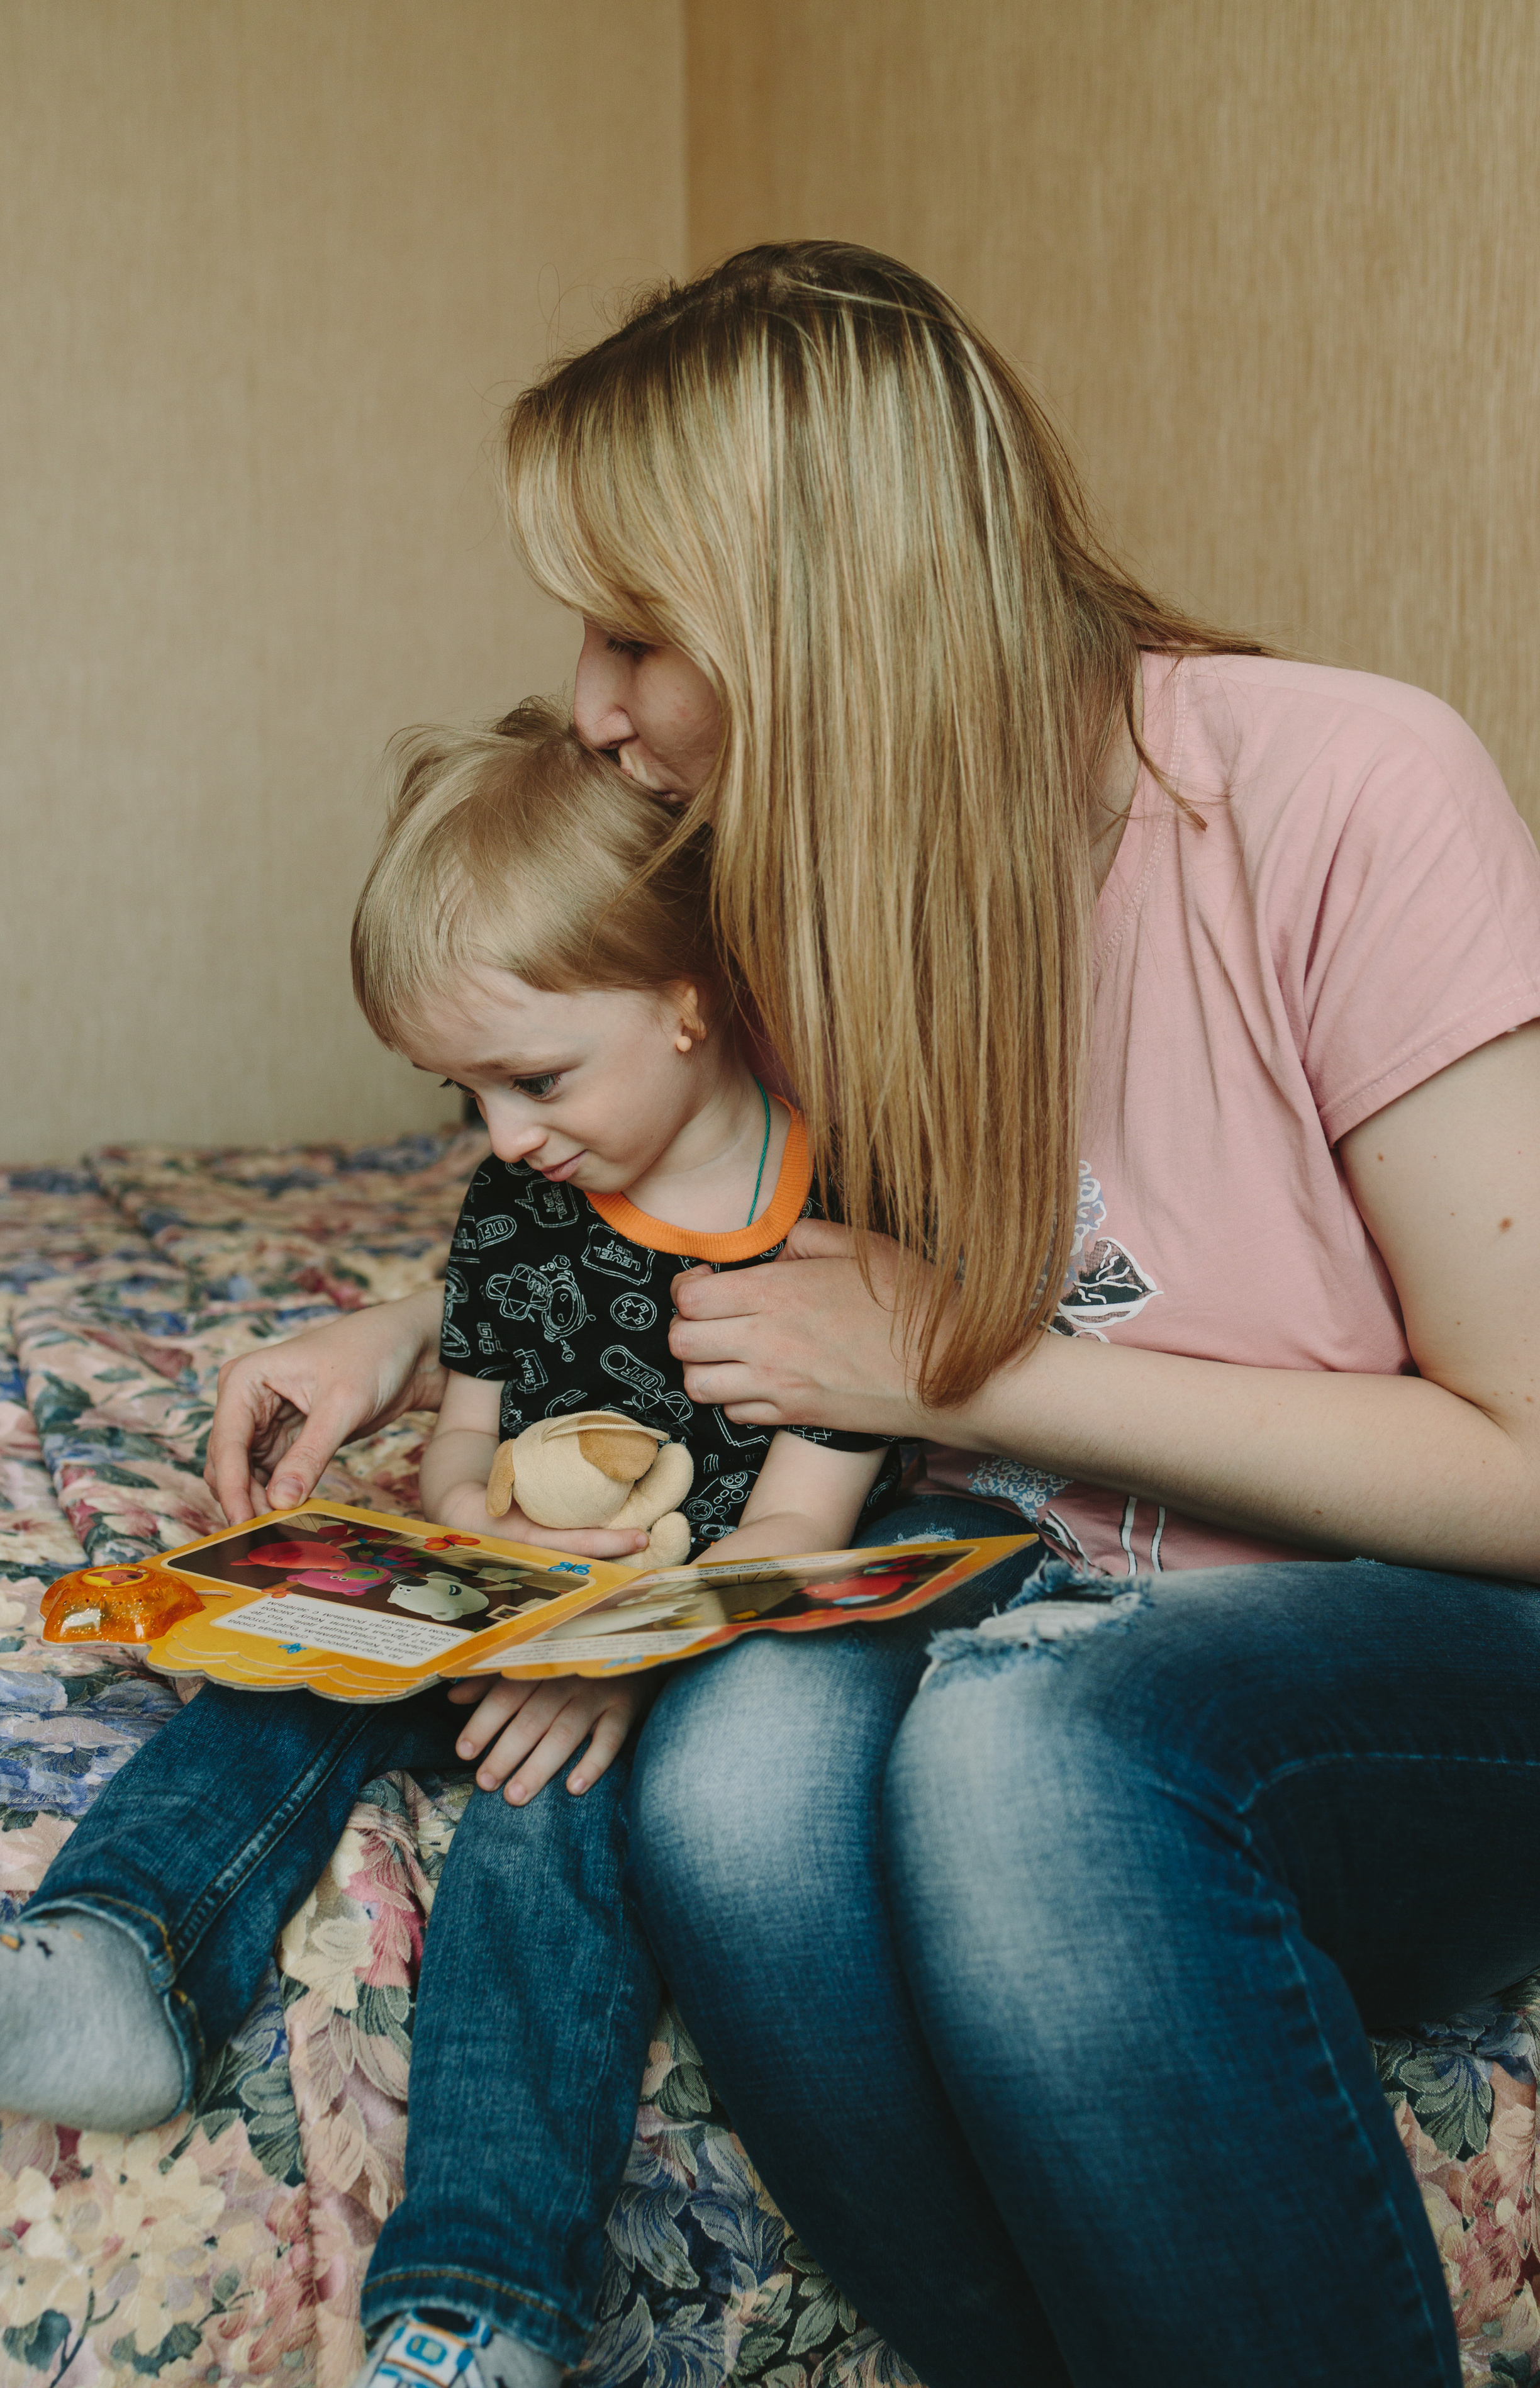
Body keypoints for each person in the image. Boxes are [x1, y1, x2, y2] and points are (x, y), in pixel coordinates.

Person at [202, 242, 1540, 2385]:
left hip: (1426, 1644)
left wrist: (978, 1367)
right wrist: (401, 1329)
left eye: (639, 628)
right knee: (723, 1773)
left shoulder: (1343, 792)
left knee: (1024, 1749)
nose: (592, 703)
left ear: (820, 597)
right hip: (1006, 1573)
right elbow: (668, 1157)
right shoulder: (806, 868)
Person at [0, 698, 905, 2388]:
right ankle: (115, 1966)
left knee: (550, 1848)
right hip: (515, 1610)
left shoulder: (831, 1227)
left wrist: (617, 1651)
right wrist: (467, 1545)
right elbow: (460, 1454)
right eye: (459, 1093)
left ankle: (474, 2302)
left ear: (686, 1005)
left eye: (534, 1079)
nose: (503, 1136)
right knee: (269, 1686)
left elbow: (805, 1530)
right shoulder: (524, 1210)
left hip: (679, 1655)